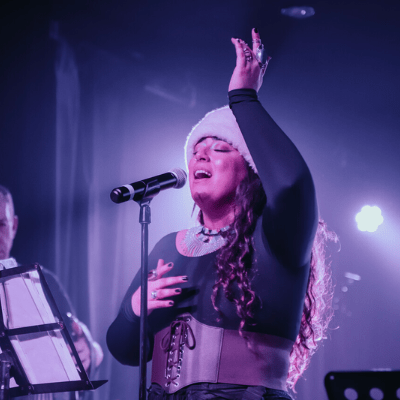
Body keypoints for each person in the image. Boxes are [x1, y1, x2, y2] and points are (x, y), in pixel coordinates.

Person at [107, 29, 336, 400]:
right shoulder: (167, 246)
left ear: (252, 170)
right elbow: (124, 350)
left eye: (220, 148)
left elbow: (292, 184)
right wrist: (134, 312)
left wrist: (243, 97)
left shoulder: (276, 238)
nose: (201, 154)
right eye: (197, 149)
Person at [0, 184, 103, 399]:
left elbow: (79, 340)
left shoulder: (42, 281)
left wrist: (90, 351)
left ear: (14, 226)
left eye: (1, 224)